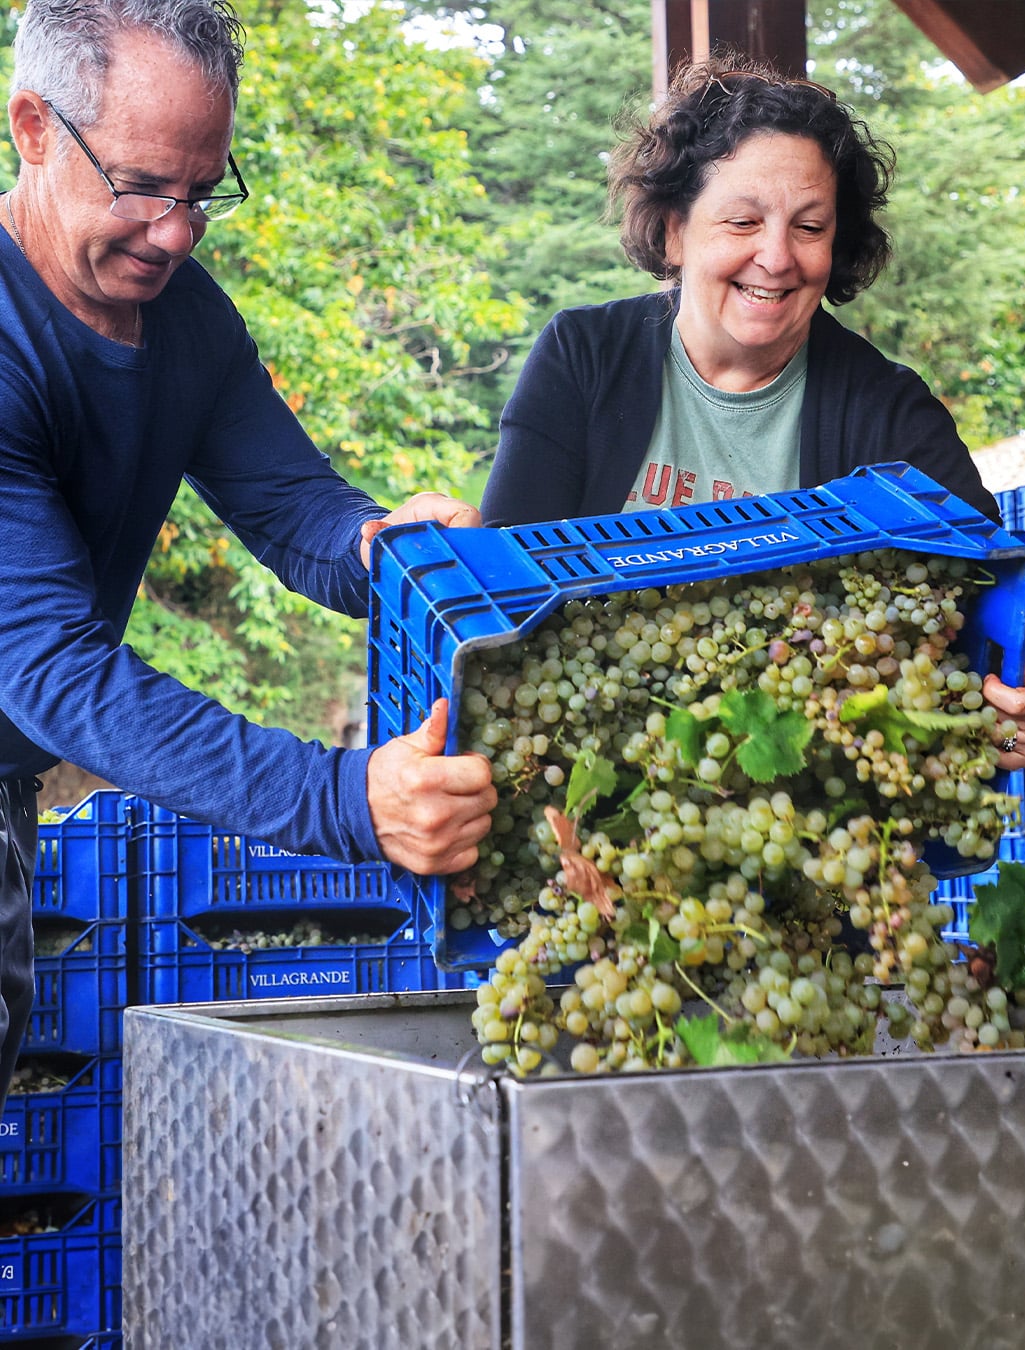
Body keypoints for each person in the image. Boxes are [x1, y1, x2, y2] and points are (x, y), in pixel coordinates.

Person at [0, 0, 495, 1105]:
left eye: (202, 192)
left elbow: (293, 508)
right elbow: (52, 668)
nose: (174, 232)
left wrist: (387, 547)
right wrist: (348, 799)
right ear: (33, 127)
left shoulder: (188, 320)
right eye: (140, 185)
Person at [482, 53, 1025, 769]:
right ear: (675, 231)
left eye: (809, 227)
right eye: (741, 220)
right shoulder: (584, 358)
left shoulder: (887, 411)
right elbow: (499, 594)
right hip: (594, 778)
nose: (775, 257)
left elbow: (1022, 611)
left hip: (801, 802)